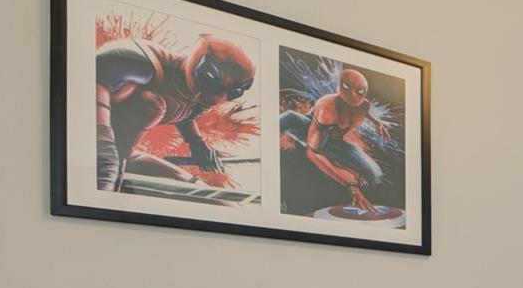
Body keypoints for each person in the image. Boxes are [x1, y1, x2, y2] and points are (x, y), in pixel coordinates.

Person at [95, 34, 255, 192]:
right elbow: (96, 81)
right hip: (96, 140)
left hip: (120, 153)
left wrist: (197, 143)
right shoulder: (143, 62)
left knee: (202, 192)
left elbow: (185, 112)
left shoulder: (191, 96)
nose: (214, 99)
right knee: (151, 104)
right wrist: (104, 149)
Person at [279, 67, 390, 212]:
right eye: (347, 88)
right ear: (339, 87)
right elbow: (312, 153)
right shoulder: (327, 109)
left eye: (359, 92)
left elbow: (364, 111)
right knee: (288, 118)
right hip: (308, 130)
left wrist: (377, 123)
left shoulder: (363, 105)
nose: (353, 96)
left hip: (335, 141)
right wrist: (350, 185)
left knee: (376, 175)